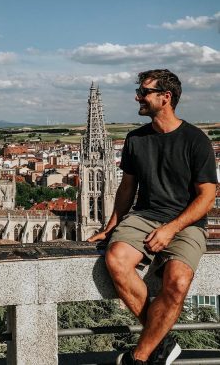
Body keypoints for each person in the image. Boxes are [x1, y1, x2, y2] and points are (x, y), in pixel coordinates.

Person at [88, 69, 217, 365]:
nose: (138, 97)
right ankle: (162, 342)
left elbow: (207, 198)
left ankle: (140, 356)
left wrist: (171, 229)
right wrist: (112, 225)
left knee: (178, 283)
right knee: (116, 259)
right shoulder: (135, 139)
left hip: (185, 222)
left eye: (144, 92)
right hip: (144, 217)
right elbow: (126, 188)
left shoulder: (196, 140)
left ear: (165, 97)